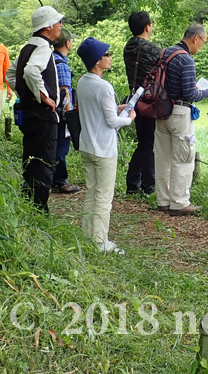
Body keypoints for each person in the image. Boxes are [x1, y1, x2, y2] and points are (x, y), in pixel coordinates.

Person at [76, 37, 135, 253]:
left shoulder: (82, 82)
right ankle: (101, 241)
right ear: (96, 60)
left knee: (92, 191)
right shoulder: (104, 86)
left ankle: (87, 234)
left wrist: (115, 107)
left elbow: (98, 110)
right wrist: (129, 118)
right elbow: (112, 122)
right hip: (104, 149)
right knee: (104, 196)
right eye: (106, 55)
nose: (110, 57)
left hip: (87, 146)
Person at [7, 6, 64, 213]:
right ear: (48, 27)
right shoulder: (43, 48)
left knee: (30, 160)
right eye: (58, 22)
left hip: (29, 114)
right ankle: (39, 210)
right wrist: (44, 97)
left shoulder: (27, 47)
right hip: (43, 116)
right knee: (44, 163)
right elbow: (31, 71)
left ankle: (28, 205)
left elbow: (11, 74)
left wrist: (24, 92)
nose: (60, 26)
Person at [154, 24, 208, 216]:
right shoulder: (186, 60)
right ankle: (179, 202)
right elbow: (190, 93)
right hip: (179, 113)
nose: (202, 46)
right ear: (196, 39)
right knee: (184, 158)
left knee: (163, 158)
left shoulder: (166, 53)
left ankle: (163, 200)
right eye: (203, 41)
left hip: (161, 111)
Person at [123, 11, 162, 196]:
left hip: (134, 99)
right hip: (149, 100)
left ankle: (133, 181)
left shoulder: (128, 47)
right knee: (148, 143)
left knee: (144, 141)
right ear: (148, 27)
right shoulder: (153, 50)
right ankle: (148, 185)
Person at [52, 29, 81, 194]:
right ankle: (59, 181)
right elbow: (65, 92)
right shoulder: (61, 64)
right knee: (61, 148)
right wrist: (70, 117)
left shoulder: (51, 59)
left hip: (52, 111)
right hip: (61, 114)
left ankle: (52, 179)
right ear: (68, 43)